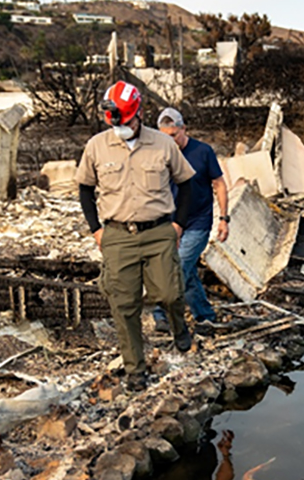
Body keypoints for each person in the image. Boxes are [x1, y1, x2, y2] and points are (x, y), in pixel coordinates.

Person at [74, 81, 196, 392]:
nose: (120, 128)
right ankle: (136, 370)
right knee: (124, 305)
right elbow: (85, 189)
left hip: (158, 232)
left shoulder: (163, 144)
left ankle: (179, 329)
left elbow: (187, 184)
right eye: (115, 122)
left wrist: (178, 225)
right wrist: (96, 229)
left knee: (169, 293)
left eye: (126, 121)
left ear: (138, 113)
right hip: (116, 235)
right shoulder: (97, 146)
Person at [150, 107, 229, 331]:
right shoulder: (158, 154)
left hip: (197, 222)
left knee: (180, 265)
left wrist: (224, 218)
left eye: (174, 135)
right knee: (187, 272)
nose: (171, 141)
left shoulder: (202, 152)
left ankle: (161, 312)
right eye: (165, 136)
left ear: (184, 129)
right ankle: (205, 315)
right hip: (168, 221)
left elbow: (219, 184)